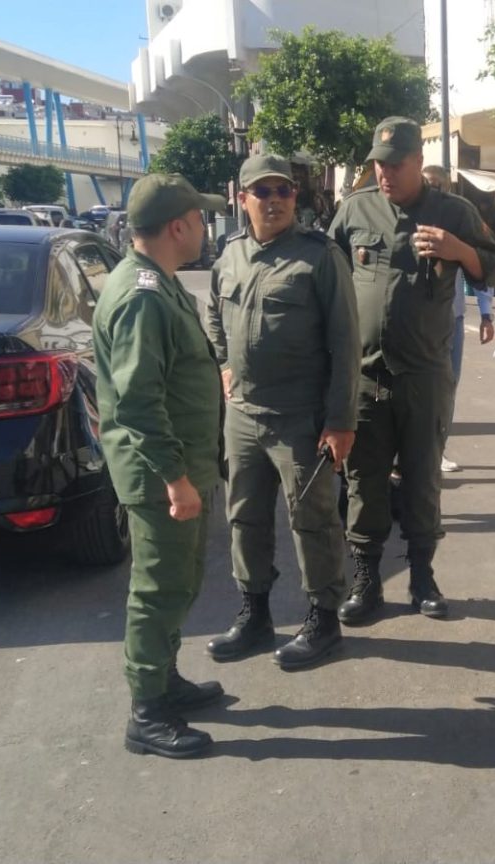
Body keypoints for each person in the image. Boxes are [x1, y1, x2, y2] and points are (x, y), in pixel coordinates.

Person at [329, 116, 495, 623]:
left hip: (425, 374)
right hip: (365, 375)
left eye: (395, 165)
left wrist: (461, 252)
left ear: (417, 162)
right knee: (364, 482)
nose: (384, 173)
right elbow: (326, 278)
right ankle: (366, 580)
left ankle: (422, 576)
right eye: (378, 165)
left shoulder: (453, 211)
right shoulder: (355, 209)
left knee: (422, 479)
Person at [202, 154, 360, 672]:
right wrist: (225, 363)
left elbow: (346, 344)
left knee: (312, 521)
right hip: (243, 414)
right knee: (244, 518)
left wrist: (341, 421)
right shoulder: (230, 254)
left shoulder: (320, 257)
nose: (274, 201)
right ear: (241, 198)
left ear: (295, 197)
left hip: (301, 417)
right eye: (263, 192)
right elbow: (213, 313)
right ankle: (255, 615)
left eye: (284, 191)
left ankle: (323, 621)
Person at [91, 173, 227, 759]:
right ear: (177, 227)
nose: (204, 228)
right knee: (157, 589)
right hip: (161, 475)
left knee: (180, 581)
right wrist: (175, 479)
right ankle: (147, 712)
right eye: (199, 219)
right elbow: (138, 401)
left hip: (182, 466)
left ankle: (164, 680)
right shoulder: (142, 296)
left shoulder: (157, 283)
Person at [421, 163, 495, 472]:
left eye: (438, 185)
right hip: (415, 323)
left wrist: (487, 314)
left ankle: (437, 450)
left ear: (448, 188)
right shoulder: (407, 218)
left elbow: (481, 269)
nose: (433, 190)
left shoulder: (460, 221)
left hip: (452, 320)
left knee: (447, 388)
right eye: (427, 183)